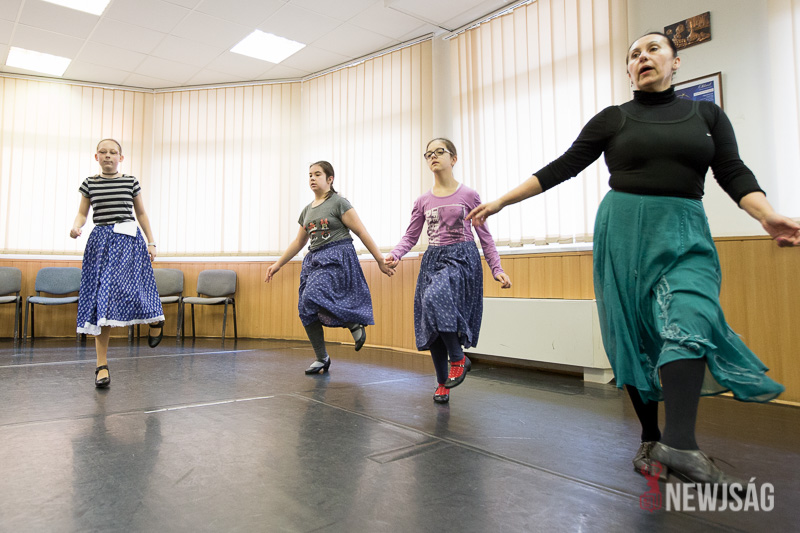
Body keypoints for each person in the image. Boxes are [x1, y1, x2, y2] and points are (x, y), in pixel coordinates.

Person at [468, 32, 800, 489]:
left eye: (653, 49)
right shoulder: (614, 118)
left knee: (691, 315)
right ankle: (651, 438)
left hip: (684, 227)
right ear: (629, 71)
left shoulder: (707, 115)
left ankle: (679, 445)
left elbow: (732, 170)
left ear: (675, 62)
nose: (643, 57)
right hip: (624, 230)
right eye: (634, 55)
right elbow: (564, 165)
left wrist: (766, 215)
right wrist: (502, 201)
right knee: (636, 332)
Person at [385, 138, 511, 404]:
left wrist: (496, 268)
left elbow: (485, 236)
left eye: (439, 151)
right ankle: (443, 382)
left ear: (453, 159)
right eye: (428, 153)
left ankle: (458, 357)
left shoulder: (469, 195)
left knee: (435, 297)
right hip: (433, 260)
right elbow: (411, 236)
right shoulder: (422, 200)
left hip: (461, 258)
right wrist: (396, 254)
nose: (433, 156)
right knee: (431, 320)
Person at [265, 161, 393, 374]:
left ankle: (352, 323)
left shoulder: (338, 203)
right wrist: (278, 264)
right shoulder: (307, 211)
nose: (312, 178)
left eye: (317, 174)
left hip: (336, 257)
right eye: (310, 175)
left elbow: (361, 231)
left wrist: (379, 259)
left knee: (312, 294)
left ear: (330, 179)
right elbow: (299, 242)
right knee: (305, 308)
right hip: (314, 260)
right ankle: (321, 357)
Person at [71, 139, 165, 388]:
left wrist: (151, 242)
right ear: (96, 157)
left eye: (113, 152)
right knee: (102, 301)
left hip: (128, 240)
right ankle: (101, 366)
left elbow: (141, 213)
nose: (108, 156)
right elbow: (82, 213)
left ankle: (155, 320)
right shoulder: (90, 183)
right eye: (103, 152)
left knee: (133, 290)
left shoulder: (130, 181)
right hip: (101, 242)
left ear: (120, 158)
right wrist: (76, 227)